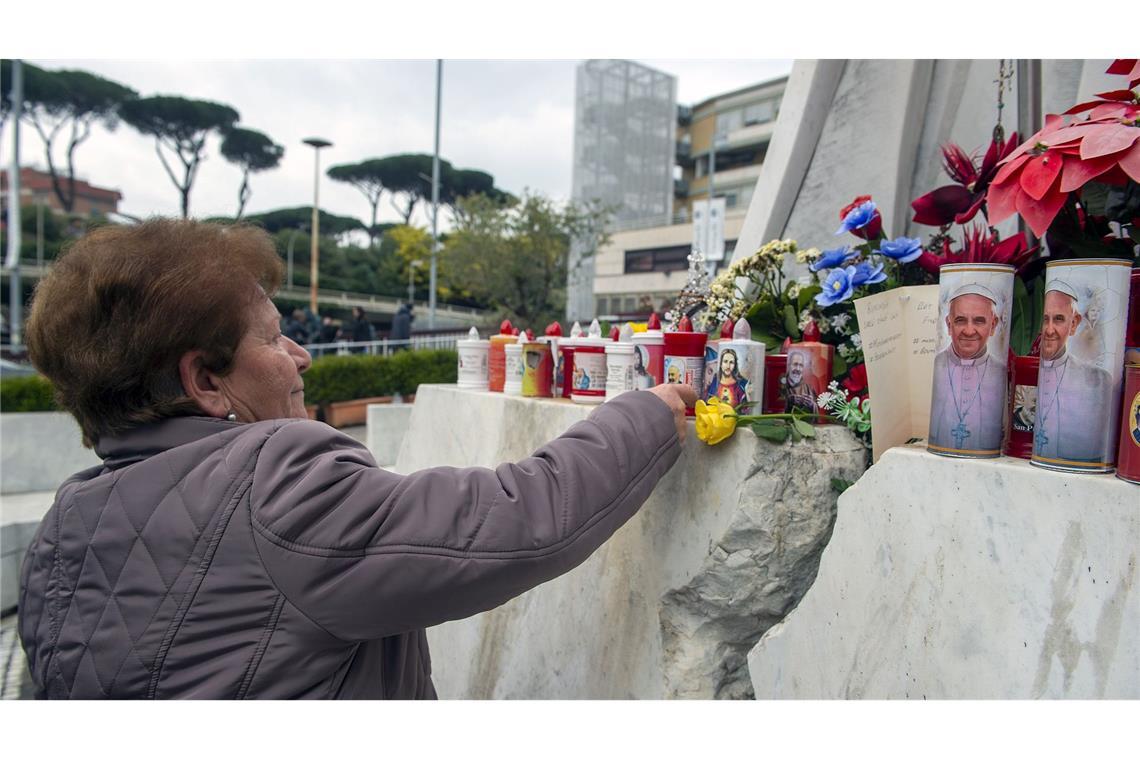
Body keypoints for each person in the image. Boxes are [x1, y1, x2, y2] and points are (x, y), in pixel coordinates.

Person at [17, 219, 695, 699]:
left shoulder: (62, 525)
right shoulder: (271, 478)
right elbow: (519, 521)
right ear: (205, 381)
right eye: (276, 339)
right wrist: (648, 411)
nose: (301, 356)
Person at [1033, 283, 1113, 463]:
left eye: (1059, 319)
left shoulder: (1098, 381)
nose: (1050, 330)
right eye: (1045, 319)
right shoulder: (1027, 373)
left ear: (1074, 323)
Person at [928, 284, 1008, 453]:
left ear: (993, 325)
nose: (969, 331)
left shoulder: (1001, 372)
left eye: (979, 321)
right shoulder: (933, 366)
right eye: (960, 320)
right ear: (949, 324)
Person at [783, 349, 819, 414]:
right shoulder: (782, 383)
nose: (798, 369)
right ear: (788, 365)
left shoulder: (809, 388)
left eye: (801, 365)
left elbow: (818, 410)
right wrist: (789, 401)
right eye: (795, 364)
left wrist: (811, 405)